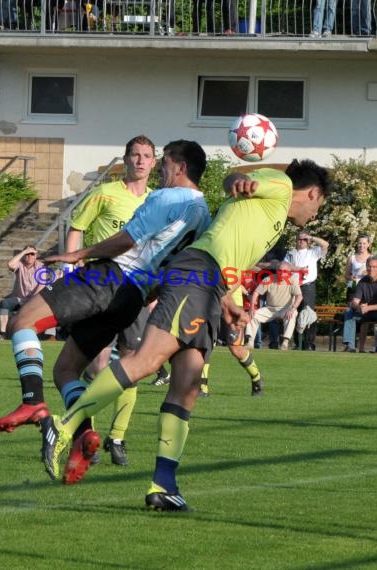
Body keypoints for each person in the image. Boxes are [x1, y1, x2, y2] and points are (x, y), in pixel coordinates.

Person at [41, 158, 331, 511]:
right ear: (313, 192)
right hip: (197, 275)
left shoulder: (271, 214)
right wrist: (241, 180)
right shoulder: (281, 187)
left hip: (211, 285)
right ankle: (64, 424)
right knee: (147, 360)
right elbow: (236, 179)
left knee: (188, 384)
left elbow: (228, 243)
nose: (315, 214)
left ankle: (163, 485)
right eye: (319, 205)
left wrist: (227, 301)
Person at [0, 138, 212, 455]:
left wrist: (77, 254)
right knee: (65, 370)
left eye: (163, 162)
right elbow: (179, 268)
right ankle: (83, 436)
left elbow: (124, 240)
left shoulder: (166, 198)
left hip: (108, 277)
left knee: (21, 322)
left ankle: (32, 403)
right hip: (131, 299)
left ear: (181, 167)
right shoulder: (203, 216)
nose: (160, 168)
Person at [62, 134, 159, 466]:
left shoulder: (156, 201)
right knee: (98, 366)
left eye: (147, 155)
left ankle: (116, 438)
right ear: (126, 159)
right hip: (100, 287)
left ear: (154, 162)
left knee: (132, 365)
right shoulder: (104, 193)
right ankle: (87, 433)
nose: (140, 160)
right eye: (135, 154)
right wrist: (71, 266)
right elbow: (77, 227)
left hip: (136, 290)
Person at [284, 231, 329, 350]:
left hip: (307, 286)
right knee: (293, 313)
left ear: (308, 241)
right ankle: (297, 342)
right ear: (295, 240)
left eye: (304, 240)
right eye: (299, 239)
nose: (301, 241)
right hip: (293, 286)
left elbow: (325, 245)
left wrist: (311, 237)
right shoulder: (290, 254)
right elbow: (285, 266)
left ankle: (308, 343)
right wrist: (298, 269)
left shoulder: (313, 252)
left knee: (308, 314)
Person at [245, 261, 303, 351]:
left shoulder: (293, 281)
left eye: (285, 271)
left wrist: (293, 308)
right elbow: (256, 293)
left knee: (292, 314)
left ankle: (285, 342)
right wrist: (252, 308)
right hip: (269, 309)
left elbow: (299, 296)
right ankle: (250, 341)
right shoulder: (268, 279)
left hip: (285, 309)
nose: (282, 273)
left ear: (289, 272)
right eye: (280, 270)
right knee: (252, 314)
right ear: (276, 271)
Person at [0, 245, 44, 339]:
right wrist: (23, 252)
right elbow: (10, 264)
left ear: (36, 256)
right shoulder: (20, 265)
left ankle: (44, 335)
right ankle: (3, 333)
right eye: (27, 254)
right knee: (4, 303)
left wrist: (32, 300)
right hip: (20, 299)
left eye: (32, 254)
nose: (30, 256)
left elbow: (41, 286)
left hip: (34, 300)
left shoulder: (41, 266)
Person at [342, 255, 377, 352]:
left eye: (374, 267)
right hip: (364, 311)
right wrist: (358, 306)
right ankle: (350, 346)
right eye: (369, 266)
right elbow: (355, 300)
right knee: (349, 311)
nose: (371, 269)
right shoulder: (362, 281)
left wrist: (368, 308)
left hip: (374, 311)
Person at [344, 234, 371, 303]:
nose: (362, 245)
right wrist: (351, 277)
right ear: (357, 244)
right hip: (354, 287)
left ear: (368, 244)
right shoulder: (351, 258)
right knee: (351, 310)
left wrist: (369, 273)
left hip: (368, 287)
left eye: (364, 243)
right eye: (360, 243)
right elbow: (346, 275)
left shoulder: (373, 258)